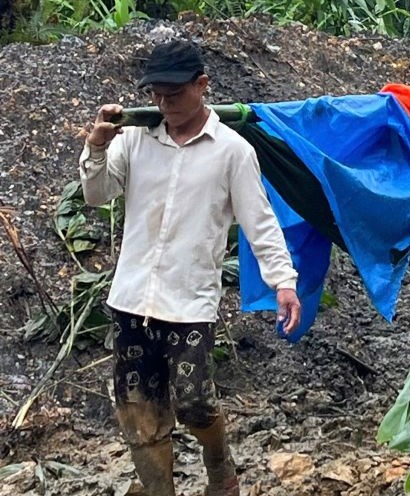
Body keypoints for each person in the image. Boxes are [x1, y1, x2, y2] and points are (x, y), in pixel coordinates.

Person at [79, 40, 301, 496]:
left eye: (174, 94)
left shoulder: (231, 151)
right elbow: (97, 194)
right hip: (132, 299)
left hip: (188, 303)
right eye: (157, 95)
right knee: (138, 409)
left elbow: (259, 221)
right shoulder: (138, 137)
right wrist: (97, 148)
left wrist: (284, 282)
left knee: (195, 403)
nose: (164, 104)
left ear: (202, 85)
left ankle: (219, 461)